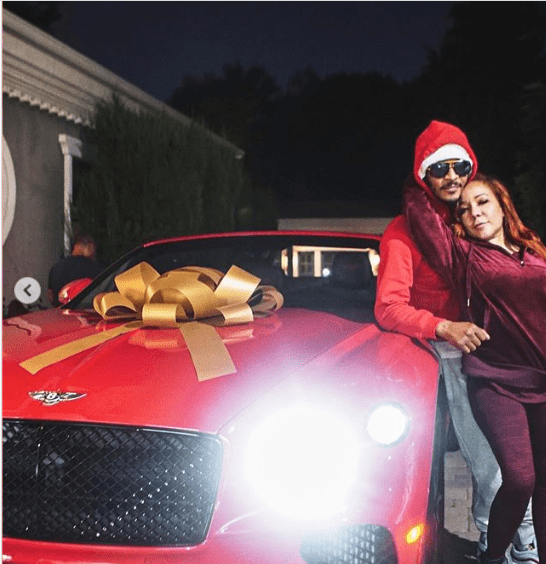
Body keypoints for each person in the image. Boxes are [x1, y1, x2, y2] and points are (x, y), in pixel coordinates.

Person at [374, 120, 538, 563]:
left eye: (459, 165)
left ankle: (505, 544)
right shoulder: (404, 231)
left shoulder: (470, 221)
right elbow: (388, 308)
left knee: (522, 470)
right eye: (439, 168)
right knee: (495, 469)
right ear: (423, 176)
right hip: (454, 354)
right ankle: (504, 549)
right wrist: (444, 328)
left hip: (511, 357)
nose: (451, 175)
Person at [403, 171, 546, 564]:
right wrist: (435, 171)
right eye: (464, 209)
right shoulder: (464, 257)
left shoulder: (534, 250)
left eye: (483, 202)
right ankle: (492, 555)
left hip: (543, 383)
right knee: (520, 480)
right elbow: (418, 210)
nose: (475, 213)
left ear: (502, 205)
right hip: (495, 382)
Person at [48, 233, 103, 306]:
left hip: (60, 313)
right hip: (84, 313)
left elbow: (50, 296)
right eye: (94, 249)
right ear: (89, 246)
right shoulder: (95, 268)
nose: (94, 253)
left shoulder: (55, 267)